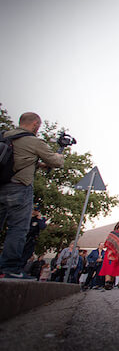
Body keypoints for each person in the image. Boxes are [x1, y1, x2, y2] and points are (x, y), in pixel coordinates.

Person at [0, 112, 64, 279]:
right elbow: (56, 162)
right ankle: (10, 267)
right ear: (36, 124)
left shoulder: (4, 136)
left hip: (1, 185)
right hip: (19, 187)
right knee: (18, 228)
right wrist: (60, 151)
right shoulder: (33, 141)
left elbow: (16, 159)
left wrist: (38, 164)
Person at [99, 220, 119, 290]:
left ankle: (111, 283)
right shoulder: (113, 233)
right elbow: (108, 242)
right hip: (111, 253)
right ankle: (107, 283)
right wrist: (112, 250)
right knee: (109, 267)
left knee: (115, 268)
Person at [20, 204, 47, 269]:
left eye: (36, 210)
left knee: (27, 254)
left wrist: (39, 219)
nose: (34, 212)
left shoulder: (39, 219)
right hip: (23, 238)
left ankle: (20, 268)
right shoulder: (27, 217)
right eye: (33, 210)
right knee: (20, 252)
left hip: (32, 239)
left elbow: (42, 226)